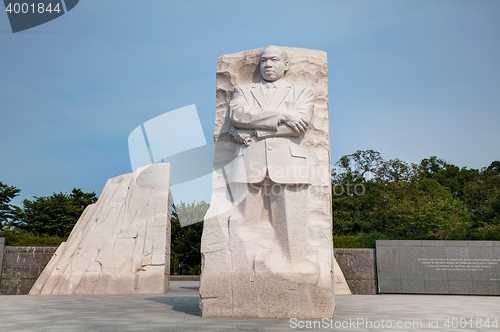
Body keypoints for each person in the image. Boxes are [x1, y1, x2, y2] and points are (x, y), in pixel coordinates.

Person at [227, 45, 315, 263]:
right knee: (244, 227)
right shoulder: (244, 91)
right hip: (249, 163)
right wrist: (282, 114)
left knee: (292, 228)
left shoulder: (302, 92)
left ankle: (295, 267)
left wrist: (258, 131)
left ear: (286, 65)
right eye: (264, 60)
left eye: (274, 60)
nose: (267, 65)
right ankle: (243, 272)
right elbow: (238, 116)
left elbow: (298, 128)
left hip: (288, 164)